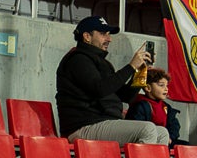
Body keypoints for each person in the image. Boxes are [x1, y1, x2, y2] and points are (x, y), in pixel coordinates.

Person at [54, 16, 165, 144]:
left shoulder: (103, 63)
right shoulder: (77, 59)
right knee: (148, 129)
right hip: (83, 127)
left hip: (104, 123)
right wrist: (131, 66)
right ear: (87, 37)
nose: (109, 39)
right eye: (103, 34)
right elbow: (100, 89)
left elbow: (125, 96)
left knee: (162, 133)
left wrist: (140, 73)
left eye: (108, 34)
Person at [126, 66, 182, 145]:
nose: (166, 89)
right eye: (161, 85)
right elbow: (137, 128)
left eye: (166, 86)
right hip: (146, 140)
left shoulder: (166, 107)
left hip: (165, 139)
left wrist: (171, 137)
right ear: (148, 88)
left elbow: (174, 125)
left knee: (187, 146)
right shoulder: (140, 105)